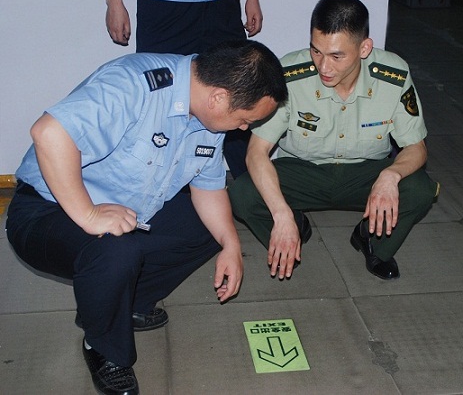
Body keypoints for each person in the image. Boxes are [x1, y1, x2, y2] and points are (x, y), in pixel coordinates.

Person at [6, 40, 287, 395]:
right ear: (219, 97)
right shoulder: (133, 84)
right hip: (46, 210)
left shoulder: (208, 115)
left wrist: (230, 245)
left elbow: (208, 186)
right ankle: (103, 347)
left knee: (208, 228)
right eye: (245, 119)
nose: (244, 129)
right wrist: (90, 215)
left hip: (124, 214)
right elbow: (48, 133)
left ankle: (119, 304)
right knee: (116, 251)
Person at [228, 0, 440, 282]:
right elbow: (256, 152)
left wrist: (391, 175)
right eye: (316, 51)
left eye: (337, 56)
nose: (323, 67)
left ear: (364, 48)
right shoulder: (288, 73)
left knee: (419, 190)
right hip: (303, 172)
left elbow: (416, 147)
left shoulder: (393, 75)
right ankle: (294, 227)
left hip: (365, 173)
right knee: (242, 195)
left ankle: (372, 241)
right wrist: (281, 214)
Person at [99, 0, 264, 178]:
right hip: (163, 8)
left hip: (221, 4)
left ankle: (251, 188)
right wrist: (114, 2)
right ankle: (162, 188)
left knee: (237, 97)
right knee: (161, 104)